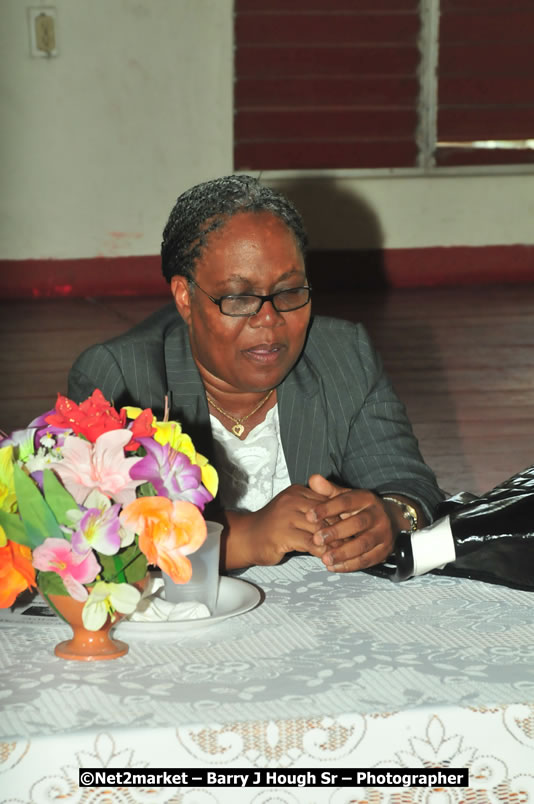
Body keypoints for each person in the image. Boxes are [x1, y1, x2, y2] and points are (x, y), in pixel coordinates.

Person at [68, 175, 444, 573]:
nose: (269, 319)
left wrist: (387, 517)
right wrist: (245, 536)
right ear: (185, 298)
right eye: (239, 298)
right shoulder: (122, 379)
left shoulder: (344, 355)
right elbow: (93, 533)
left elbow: (410, 485)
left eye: (288, 292)